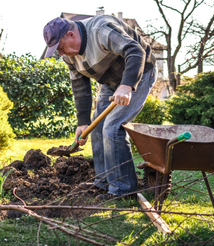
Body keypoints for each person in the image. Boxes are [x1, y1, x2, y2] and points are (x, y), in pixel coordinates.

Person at [43, 15, 158, 200]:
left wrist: (127, 85)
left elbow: (135, 51)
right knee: (96, 129)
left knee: (112, 127)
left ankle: (124, 190)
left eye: (60, 47)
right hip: (110, 82)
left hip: (140, 72)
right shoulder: (70, 57)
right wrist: (82, 122)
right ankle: (104, 181)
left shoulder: (101, 30)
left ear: (71, 35)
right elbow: (80, 86)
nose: (61, 53)